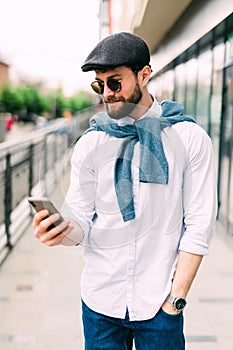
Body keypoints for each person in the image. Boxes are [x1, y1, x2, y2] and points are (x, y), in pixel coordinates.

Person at [33, 32, 217, 349]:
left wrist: (176, 301)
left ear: (144, 75)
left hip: (160, 306)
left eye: (115, 83)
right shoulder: (91, 143)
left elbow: (199, 225)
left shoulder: (190, 139)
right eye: (99, 85)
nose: (107, 93)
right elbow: (82, 220)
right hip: (100, 302)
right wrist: (60, 231)